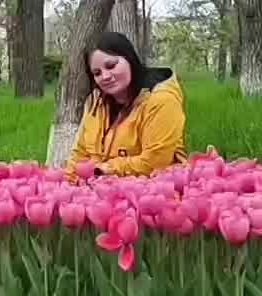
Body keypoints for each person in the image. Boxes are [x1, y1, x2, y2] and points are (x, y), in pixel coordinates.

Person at [65, 31, 187, 183]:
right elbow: (80, 154)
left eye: (111, 66)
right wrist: (66, 181)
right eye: (97, 73)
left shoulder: (161, 100)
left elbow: (155, 162)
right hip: (101, 189)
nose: (105, 76)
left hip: (156, 189)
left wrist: (105, 170)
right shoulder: (96, 102)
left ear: (129, 59)